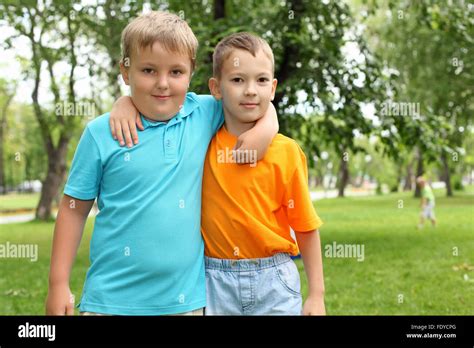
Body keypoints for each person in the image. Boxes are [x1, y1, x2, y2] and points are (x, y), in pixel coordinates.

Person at [45, 11, 277, 316]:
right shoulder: (102, 133)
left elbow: (255, 103)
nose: (163, 84)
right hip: (110, 302)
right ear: (125, 73)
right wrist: (58, 283)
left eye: (176, 72)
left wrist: (267, 128)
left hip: (185, 304)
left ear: (192, 73)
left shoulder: (204, 113)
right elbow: (73, 210)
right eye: (149, 71)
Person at [202, 32, 325, 315]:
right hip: (214, 281)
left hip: (275, 280)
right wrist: (125, 103)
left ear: (272, 88)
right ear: (216, 87)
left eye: (260, 80)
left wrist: (316, 294)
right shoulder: (202, 144)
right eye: (237, 80)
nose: (250, 90)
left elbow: (305, 226)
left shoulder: (287, 151)